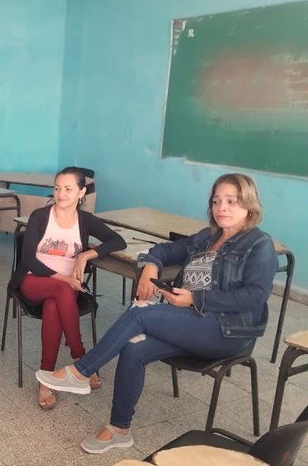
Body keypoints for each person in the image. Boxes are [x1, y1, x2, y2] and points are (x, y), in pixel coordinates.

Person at [36, 173, 277, 454]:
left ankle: (81, 371)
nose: (221, 207)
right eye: (216, 201)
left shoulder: (259, 244)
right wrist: (151, 264)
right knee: (133, 347)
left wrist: (195, 299)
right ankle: (119, 429)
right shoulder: (207, 237)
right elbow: (165, 250)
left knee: (141, 315)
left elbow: (254, 296)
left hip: (227, 331)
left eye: (231, 201)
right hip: (192, 324)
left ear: (249, 204)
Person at [8, 167, 126, 410]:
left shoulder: (86, 220)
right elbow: (28, 259)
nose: (61, 194)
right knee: (61, 291)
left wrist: (85, 255)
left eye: (68, 189)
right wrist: (63, 279)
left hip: (65, 289)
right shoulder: (40, 216)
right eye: (57, 188)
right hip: (34, 281)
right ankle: (81, 358)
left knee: (53, 307)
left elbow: (118, 240)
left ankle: (45, 379)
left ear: (81, 193)